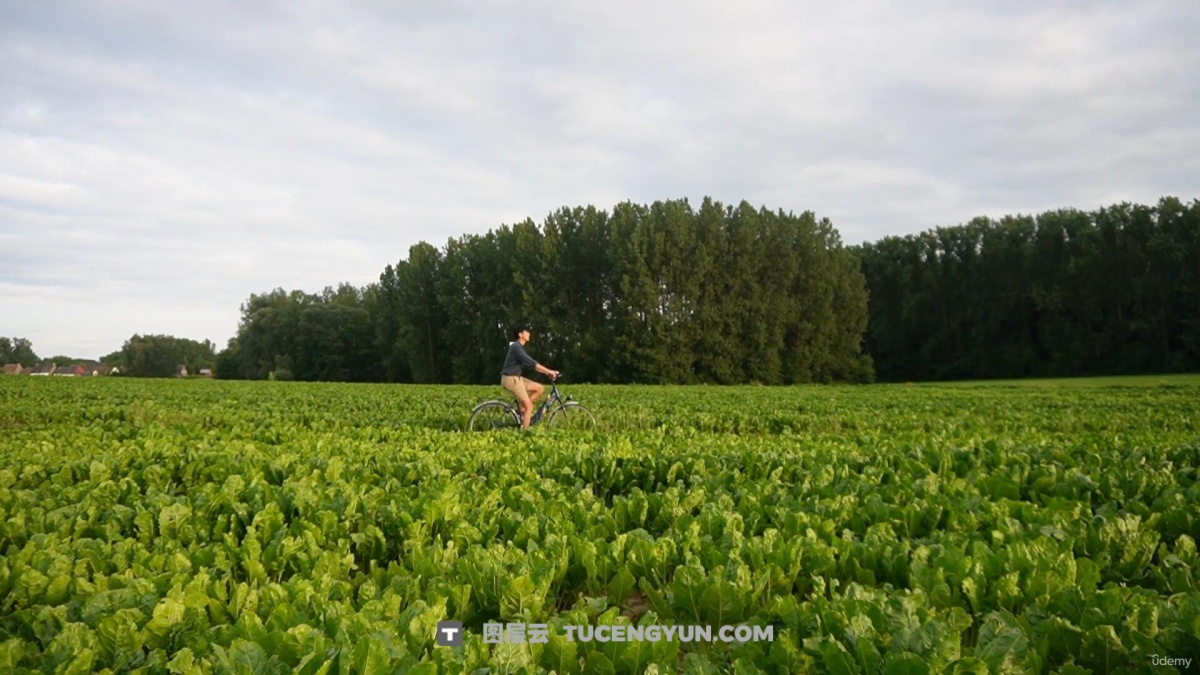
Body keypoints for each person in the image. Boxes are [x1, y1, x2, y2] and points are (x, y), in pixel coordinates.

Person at [500, 323, 559, 429]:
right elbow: (532, 363)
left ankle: (522, 410)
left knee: (539, 388)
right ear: (520, 334)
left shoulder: (518, 347)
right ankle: (525, 433)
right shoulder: (516, 347)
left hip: (516, 377)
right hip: (511, 379)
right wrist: (549, 371)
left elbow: (533, 366)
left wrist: (547, 372)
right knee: (529, 406)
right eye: (526, 332)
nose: (529, 334)